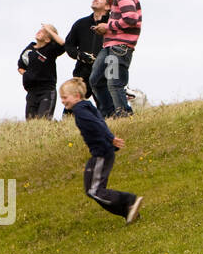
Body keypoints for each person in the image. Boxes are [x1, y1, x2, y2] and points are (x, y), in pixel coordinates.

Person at [60, 78, 143, 224]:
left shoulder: (80, 110)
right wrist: (111, 140)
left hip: (101, 153)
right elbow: (100, 122)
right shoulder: (87, 107)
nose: (62, 101)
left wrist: (110, 138)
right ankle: (129, 212)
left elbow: (97, 123)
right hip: (102, 152)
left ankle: (129, 201)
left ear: (77, 96)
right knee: (91, 190)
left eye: (65, 97)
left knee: (94, 191)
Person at [87, 0, 142, 118]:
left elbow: (131, 18)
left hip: (120, 45)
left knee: (114, 82)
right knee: (95, 79)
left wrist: (108, 26)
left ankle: (123, 113)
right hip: (110, 45)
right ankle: (109, 112)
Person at [64, 0, 109, 109]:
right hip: (82, 71)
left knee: (105, 106)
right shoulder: (81, 24)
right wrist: (80, 55)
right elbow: (69, 45)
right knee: (73, 104)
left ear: (108, 6)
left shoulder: (112, 25)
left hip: (105, 71)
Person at [17, 24, 65, 120]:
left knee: (43, 120)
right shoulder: (29, 49)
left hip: (46, 90)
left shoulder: (51, 50)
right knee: (30, 122)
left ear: (48, 39)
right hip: (31, 91)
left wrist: (50, 31)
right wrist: (27, 74)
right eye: (41, 30)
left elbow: (63, 44)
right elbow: (21, 66)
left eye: (45, 32)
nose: (40, 31)